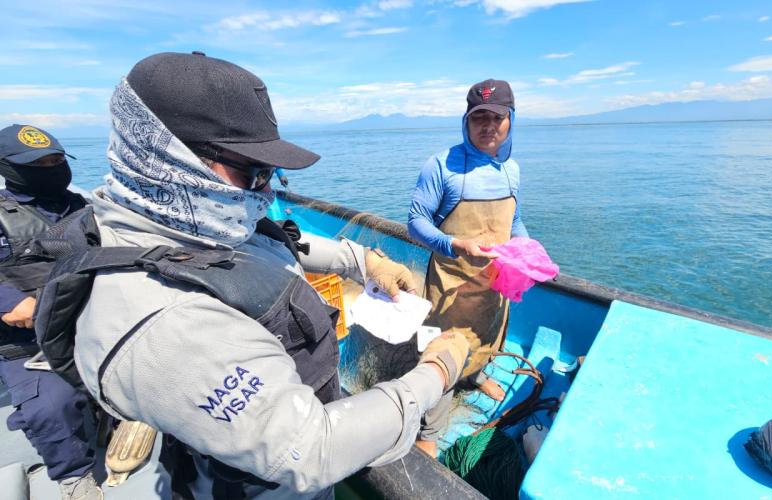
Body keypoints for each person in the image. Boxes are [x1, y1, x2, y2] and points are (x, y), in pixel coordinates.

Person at [61, 52, 469, 499]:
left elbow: (267, 244)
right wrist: (437, 371)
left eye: (271, 173)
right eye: (253, 172)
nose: (267, 191)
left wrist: (364, 261)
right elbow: (310, 450)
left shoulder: (189, 221)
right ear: (169, 160)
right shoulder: (166, 325)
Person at [407, 79, 529, 456]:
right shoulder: (442, 166)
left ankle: (477, 377)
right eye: (480, 117)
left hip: (493, 286)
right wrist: (453, 244)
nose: (488, 125)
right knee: (442, 354)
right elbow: (415, 221)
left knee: (489, 337)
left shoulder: (512, 170)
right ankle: (429, 433)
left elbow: (515, 222)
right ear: (466, 120)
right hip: (449, 288)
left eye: (497, 116)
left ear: (511, 121)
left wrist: (530, 253)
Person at [0, 124, 101, 499]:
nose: (51, 167)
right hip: (31, 340)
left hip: (94, 322)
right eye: (38, 163)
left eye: (56, 160)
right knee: (50, 408)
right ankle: (74, 476)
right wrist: (9, 303)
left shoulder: (88, 208)